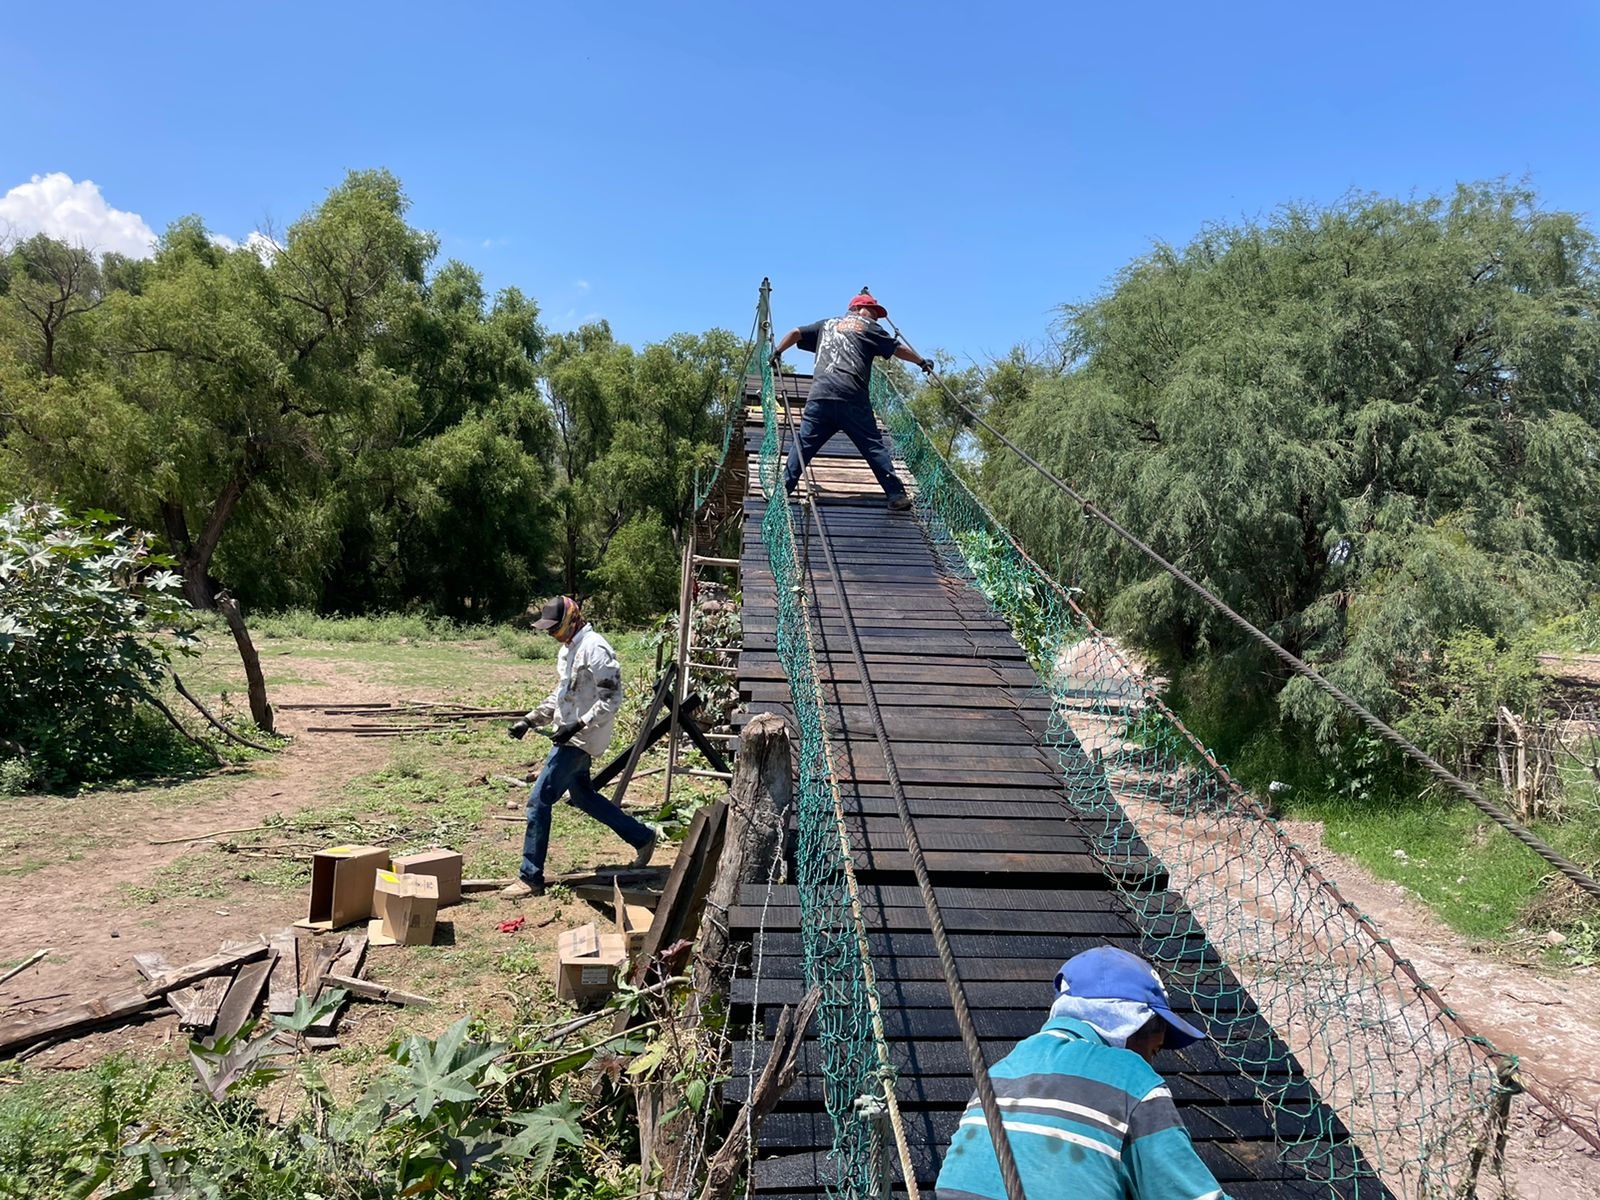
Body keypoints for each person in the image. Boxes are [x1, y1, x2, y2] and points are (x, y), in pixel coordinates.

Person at [934, 946, 1231, 1200]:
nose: (1150, 1063)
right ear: (1130, 1024)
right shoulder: (1130, 1076)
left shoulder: (999, 1073)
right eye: (1154, 1051)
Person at [501, 596, 657, 899]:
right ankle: (642, 836)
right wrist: (530, 720)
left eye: (554, 627)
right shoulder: (568, 649)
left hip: (580, 739)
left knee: (538, 802)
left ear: (571, 620)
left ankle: (530, 877)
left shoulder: (596, 649)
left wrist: (578, 725)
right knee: (584, 797)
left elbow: (612, 700)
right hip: (569, 734)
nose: (550, 633)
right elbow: (563, 695)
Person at [770, 290, 932, 511]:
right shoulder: (870, 327)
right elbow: (898, 349)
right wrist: (921, 362)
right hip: (852, 397)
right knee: (873, 446)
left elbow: (796, 332)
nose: (875, 317)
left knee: (803, 446)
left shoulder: (826, 324)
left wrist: (777, 352)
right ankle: (896, 495)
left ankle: (781, 491)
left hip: (821, 396)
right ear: (856, 309)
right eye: (872, 311)